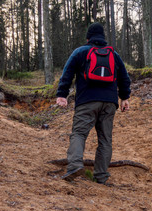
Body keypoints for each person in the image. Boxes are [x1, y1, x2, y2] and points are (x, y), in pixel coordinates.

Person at [56, 22, 131, 184]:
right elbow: (124, 78)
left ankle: (75, 166)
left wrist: (62, 94)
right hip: (110, 103)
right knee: (105, 139)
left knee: (79, 134)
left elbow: (67, 74)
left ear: (88, 38)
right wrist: (124, 98)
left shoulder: (80, 52)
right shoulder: (114, 55)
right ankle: (101, 176)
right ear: (103, 37)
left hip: (87, 101)